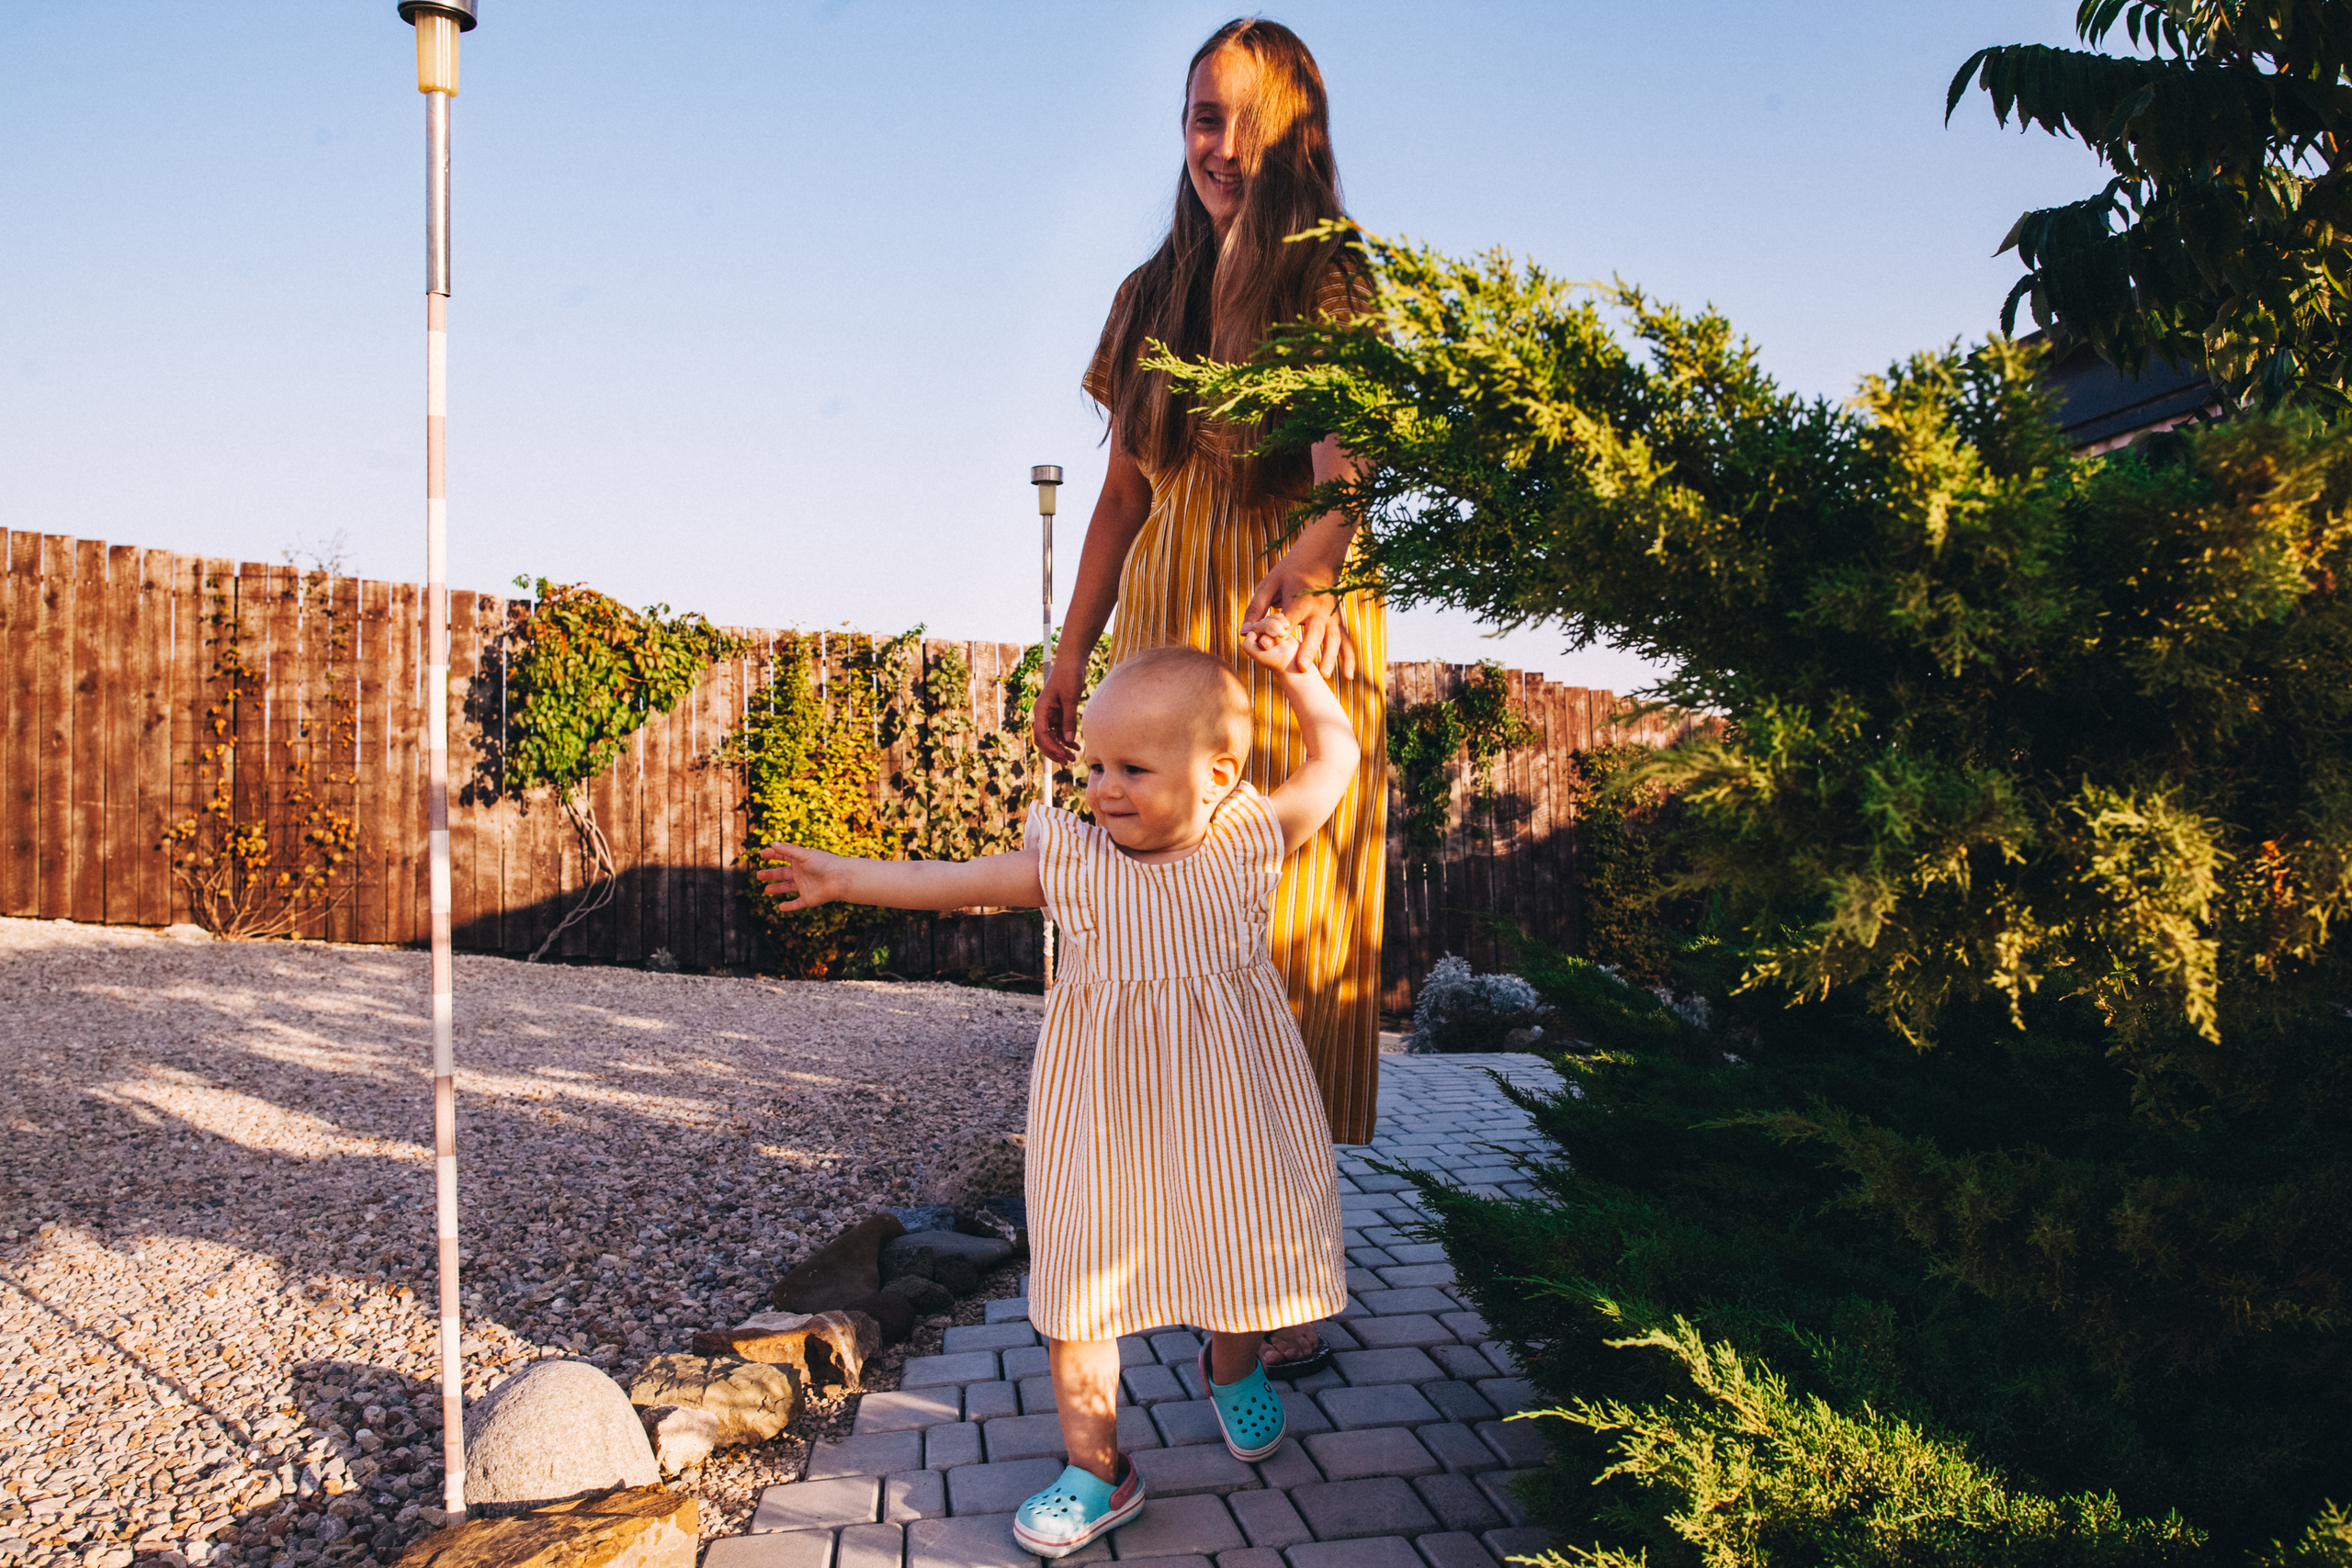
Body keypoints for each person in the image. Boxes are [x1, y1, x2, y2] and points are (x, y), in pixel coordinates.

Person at [757, 614, 1356, 1558]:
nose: (1104, 791)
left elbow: (1335, 759)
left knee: (1244, 1261)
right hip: (1101, 1114)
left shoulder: (1249, 840)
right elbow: (954, 881)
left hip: (1233, 1105)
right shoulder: (1072, 861)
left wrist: (1297, 677)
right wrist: (846, 877)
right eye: (1096, 768)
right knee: (1079, 1287)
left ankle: (1231, 1368)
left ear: (1218, 779)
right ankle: (1097, 1469)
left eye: (1133, 770)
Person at [1033, 14, 1383, 1383]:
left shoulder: (1334, 282)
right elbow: (1121, 488)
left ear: (1295, 131)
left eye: (1241, 118)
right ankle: (1151, 1225)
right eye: (1197, 117)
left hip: (1287, 612)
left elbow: (1348, 469)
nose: (1216, 146)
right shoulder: (1152, 287)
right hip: (1168, 614)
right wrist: (1071, 649)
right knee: (1151, 921)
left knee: (1275, 923)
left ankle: (1281, 1265)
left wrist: (1309, 561)